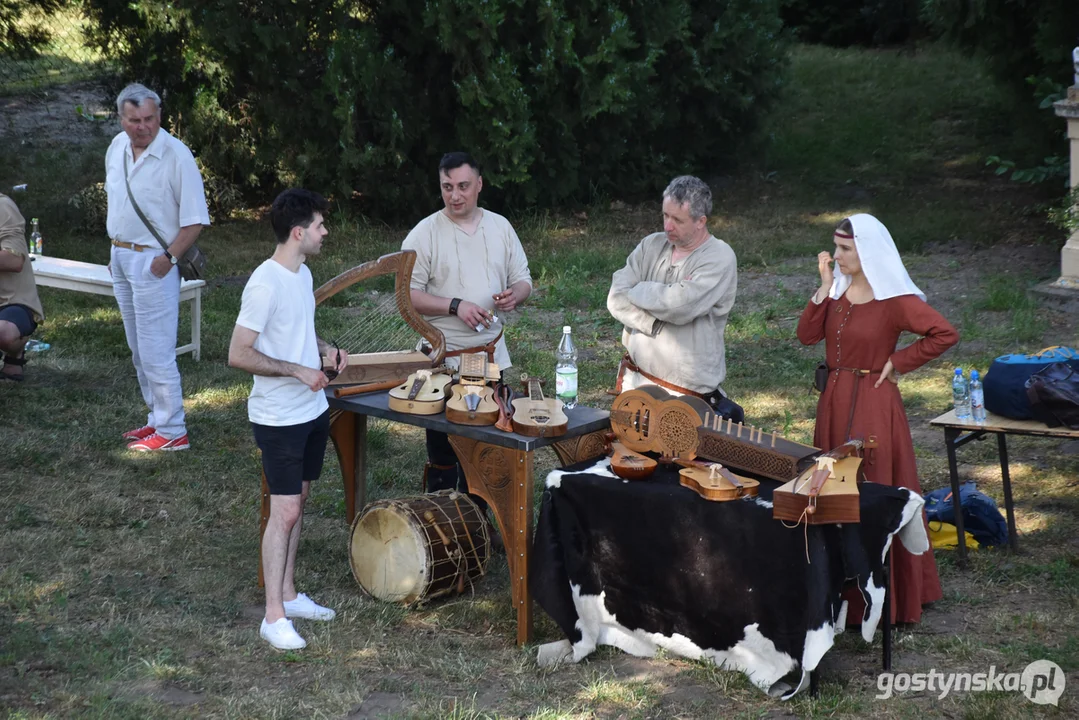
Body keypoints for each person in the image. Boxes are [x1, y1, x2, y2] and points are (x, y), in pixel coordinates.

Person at [796, 213, 959, 625]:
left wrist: (899, 361)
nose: (837, 256)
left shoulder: (894, 300)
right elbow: (806, 336)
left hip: (872, 405)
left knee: (874, 490)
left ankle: (891, 598)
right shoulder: (837, 292)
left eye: (845, 249)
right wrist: (822, 287)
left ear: (867, 251)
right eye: (836, 247)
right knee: (834, 492)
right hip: (832, 401)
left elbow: (944, 333)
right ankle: (843, 597)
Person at [228, 189, 348, 651]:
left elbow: (299, 328)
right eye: (319, 226)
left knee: (299, 500)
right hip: (279, 418)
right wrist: (297, 369)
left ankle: (290, 594)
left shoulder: (302, 274)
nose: (324, 232)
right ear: (298, 233)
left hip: (312, 410)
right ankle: (272, 616)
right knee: (285, 512)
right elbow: (238, 353)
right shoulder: (264, 283)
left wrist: (323, 351)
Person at [401, 152, 532, 498]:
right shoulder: (425, 233)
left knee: (485, 450)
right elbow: (407, 295)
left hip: (489, 357)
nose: (455, 195)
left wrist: (514, 296)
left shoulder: (500, 226)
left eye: (462, 186)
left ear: (479, 185)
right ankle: (443, 522)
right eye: (447, 187)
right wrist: (455, 306)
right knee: (444, 452)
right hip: (443, 358)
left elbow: (524, 280)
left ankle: (479, 523)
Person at [105, 83, 210, 451]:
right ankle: (156, 419)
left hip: (156, 261)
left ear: (159, 116)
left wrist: (168, 260)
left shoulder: (176, 155)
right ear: (121, 119)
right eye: (134, 120)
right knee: (137, 347)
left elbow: (195, 220)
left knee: (156, 348)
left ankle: (172, 430)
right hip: (121, 257)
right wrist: (114, 251)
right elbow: (116, 203)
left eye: (149, 118)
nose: (142, 126)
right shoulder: (116, 148)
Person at [607, 175, 742, 420]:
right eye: (665, 216)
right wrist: (652, 322)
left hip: (686, 396)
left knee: (680, 459)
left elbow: (681, 306)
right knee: (626, 457)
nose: (668, 226)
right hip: (635, 384)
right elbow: (615, 297)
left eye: (677, 220)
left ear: (701, 221)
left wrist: (638, 290)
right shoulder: (651, 245)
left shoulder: (719, 257)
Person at [0, 192, 44, 382]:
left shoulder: (3, 207)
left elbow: (14, 260)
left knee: (4, 333)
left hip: (11, 301)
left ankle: (15, 353)